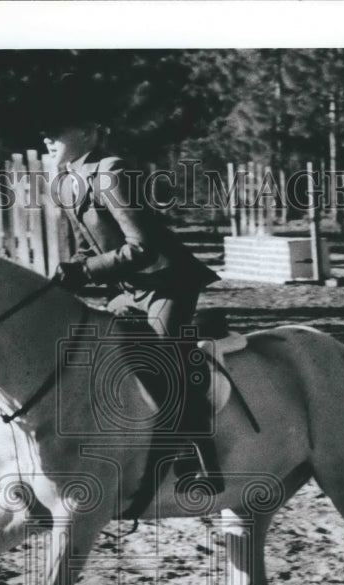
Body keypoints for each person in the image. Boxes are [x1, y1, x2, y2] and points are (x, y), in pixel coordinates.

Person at [41, 75, 224, 494]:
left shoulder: (112, 172)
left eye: (58, 130)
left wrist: (84, 272)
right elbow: (94, 248)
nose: (48, 137)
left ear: (87, 132)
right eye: (46, 132)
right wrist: (73, 273)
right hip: (127, 290)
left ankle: (199, 458)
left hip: (166, 284)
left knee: (163, 360)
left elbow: (144, 249)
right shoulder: (67, 179)